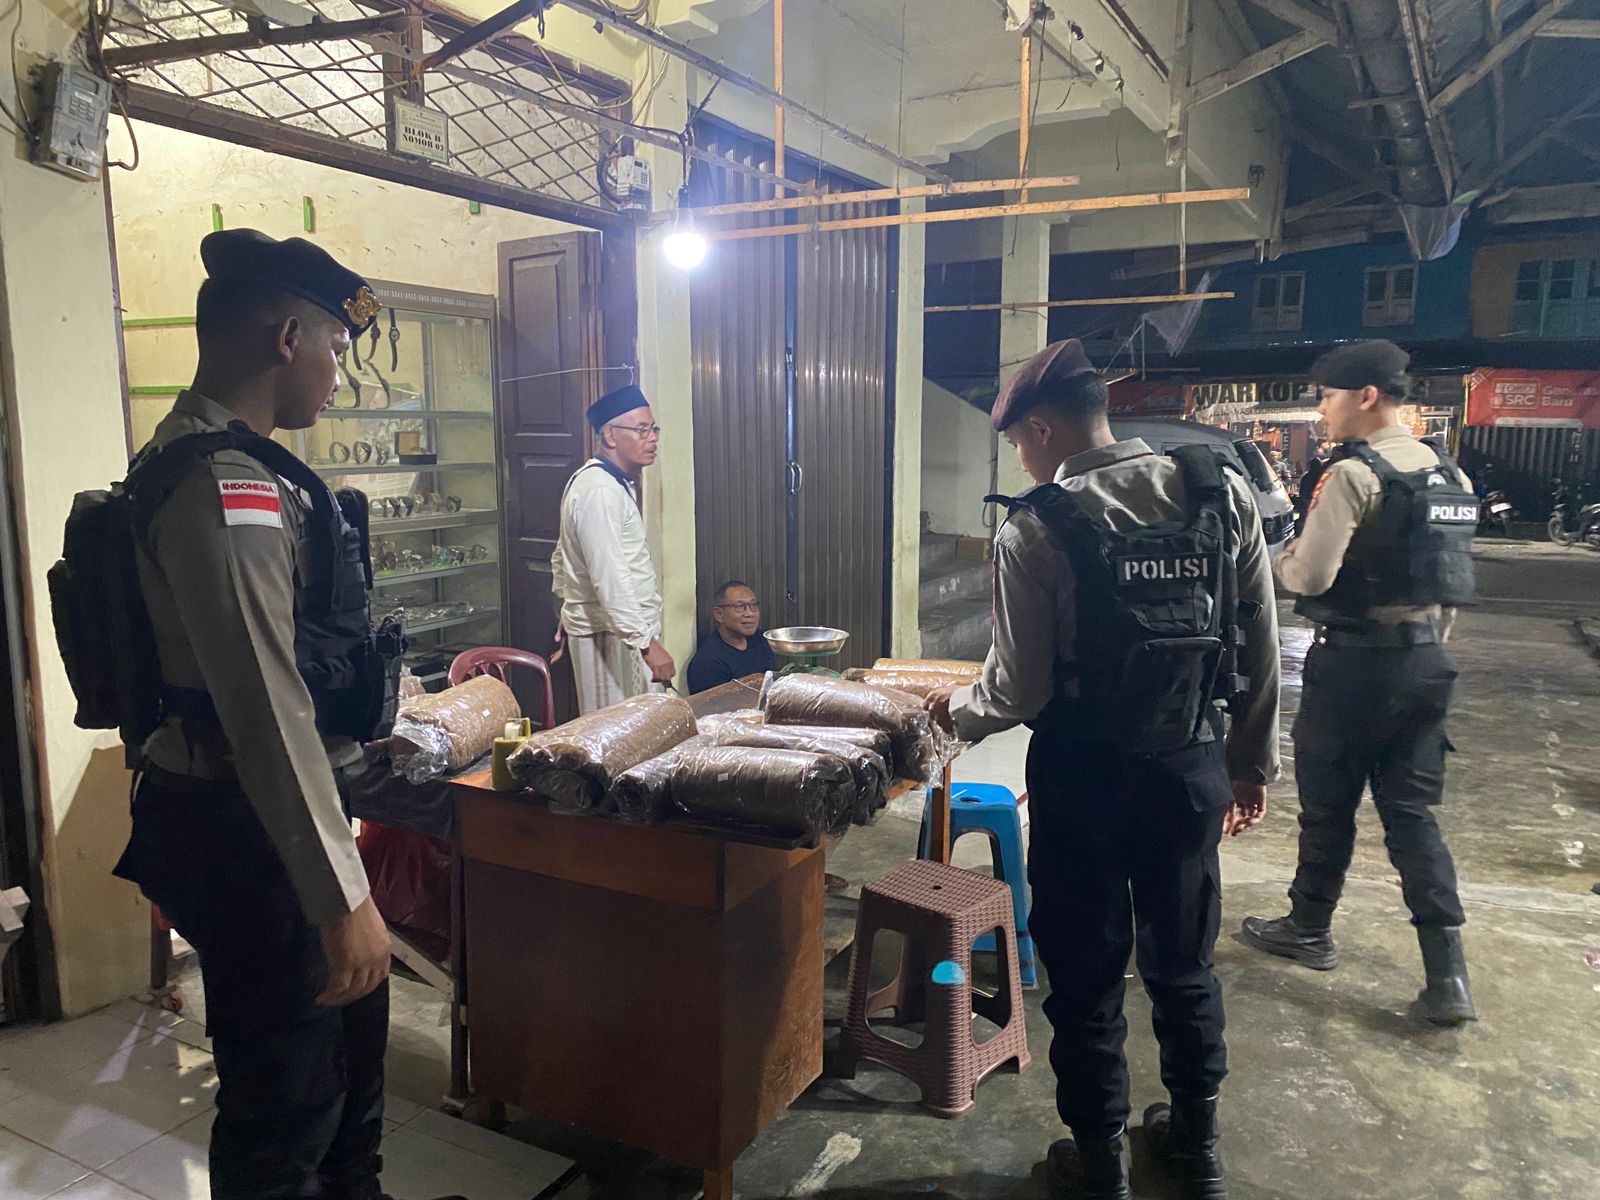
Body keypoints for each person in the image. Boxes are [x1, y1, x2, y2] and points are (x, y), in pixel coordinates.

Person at [109, 230, 463, 1200]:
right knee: (286, 1104)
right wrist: (342, 899)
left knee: (346, 1068)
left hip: (269, 821)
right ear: (287, 338)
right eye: (336, 349)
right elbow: (263, 708)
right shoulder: (222, 485)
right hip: (247, 830)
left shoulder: (220, 462)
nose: (338, 376)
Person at [925, 340, 1281, 1200]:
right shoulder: (1220, 491)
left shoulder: (1037, 526)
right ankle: (1196, 1148)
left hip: (1084, 780)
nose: (1022, 459)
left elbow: (1017, 689)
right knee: (1185, 963)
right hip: (1188, 764)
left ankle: (1102, 1161)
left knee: (1086, 975)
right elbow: (1259, 639)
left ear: (1043, 429)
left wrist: (946, 716)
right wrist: (1250, 765)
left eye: (1019, 441)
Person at [1242, 339, 1479, 1027]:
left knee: (1329, 805)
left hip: (1354, 666)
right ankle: (1448, 977)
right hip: (1427, 664)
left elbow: (1312, 577)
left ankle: (1308, 927)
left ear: (1366, 396)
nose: (1321, 411)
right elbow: (1449, 586)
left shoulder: (1352, 474)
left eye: (1327, 396)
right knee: (1412, 815)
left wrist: (1279, 560)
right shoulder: (1451, 476)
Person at [550, 384, 674, 711]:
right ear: (610, 435)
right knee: (615, 730)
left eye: (654, 429)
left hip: (624, 632)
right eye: (642, 429)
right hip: (609, 636)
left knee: (642, 726)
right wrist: (646, 645)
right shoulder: (599, 490)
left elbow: (563, 556)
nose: (653, 438)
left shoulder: (611, 483)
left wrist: (568, 605)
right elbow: (609, 577)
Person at [686, 580, 777, 694]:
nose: (750, 614)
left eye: (754, 605)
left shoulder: (760, 639)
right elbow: (713, 704)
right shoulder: (707, 662)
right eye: (740, 607)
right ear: (719, 615)